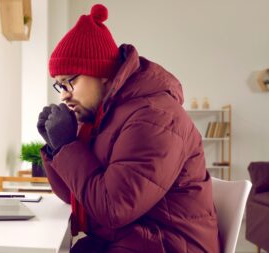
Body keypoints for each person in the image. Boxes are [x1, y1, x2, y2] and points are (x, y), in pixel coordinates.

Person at [36, 3, 221, 253]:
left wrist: (69, 146)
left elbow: (114, 209)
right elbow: (75, 196)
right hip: (132, 240)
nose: (64, 96)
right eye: (59, 86)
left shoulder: (154, 118)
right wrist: (55, 147)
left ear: (101, 73)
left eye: (69, 81)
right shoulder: (104, 118)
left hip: (167, 245)